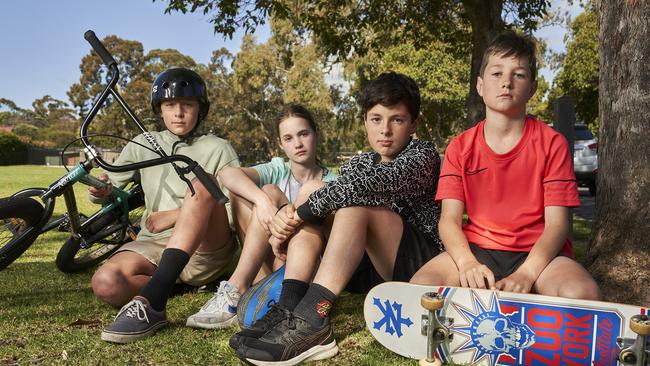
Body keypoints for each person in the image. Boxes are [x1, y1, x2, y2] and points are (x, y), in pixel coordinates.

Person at [233, 72, 443, 365]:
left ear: (413, 124)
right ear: (365, 121)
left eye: (396, 119)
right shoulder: (359, 162)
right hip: (368, 267)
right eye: (376, 119)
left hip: (417, 262)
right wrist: (300, 216)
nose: (385, 130)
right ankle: (289, 308)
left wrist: (294, 220)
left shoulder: (422, 156)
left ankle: (314, 321)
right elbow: (333, 195)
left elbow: (364, 187)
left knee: (350, 205)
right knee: (312, 189)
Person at [410, 31, 601, 300]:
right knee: (421, 286)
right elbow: (449, 221)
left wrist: (528, 273)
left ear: (532, 87)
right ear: (480, 85)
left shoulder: (552, 143)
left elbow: (557, 225)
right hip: (477, 249)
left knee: (582, 293)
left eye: (519, 75)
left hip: (539, 254)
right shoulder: (460, 146)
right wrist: (466, 263)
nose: (507, 83)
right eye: (497, 73)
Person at [89, 68, 240, 343]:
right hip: (153, 243)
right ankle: (173, 283)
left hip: (205, 247)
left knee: (201, 180)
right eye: (170, 105)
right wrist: (99, 190)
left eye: (188, 105)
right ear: (160, 110)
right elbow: (108, 188)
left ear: (200, 109)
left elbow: (233, 209)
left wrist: (176, 215)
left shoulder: (219, 148)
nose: (179, 113)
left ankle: (153, 302)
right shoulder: (142, 144)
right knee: (105, 283)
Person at [185, 104, 336, 329]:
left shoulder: (333, 180)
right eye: (288, 138)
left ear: (316, 134)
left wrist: (283, 213)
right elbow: (227, 174)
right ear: (280, 144)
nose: (297, 143)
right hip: (272, 260)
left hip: (307, 267)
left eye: (304, 134)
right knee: (262, 191)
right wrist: (264, 203)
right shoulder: (278, 169)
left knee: (273, 192)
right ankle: (240, 287)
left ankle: (242, 287)